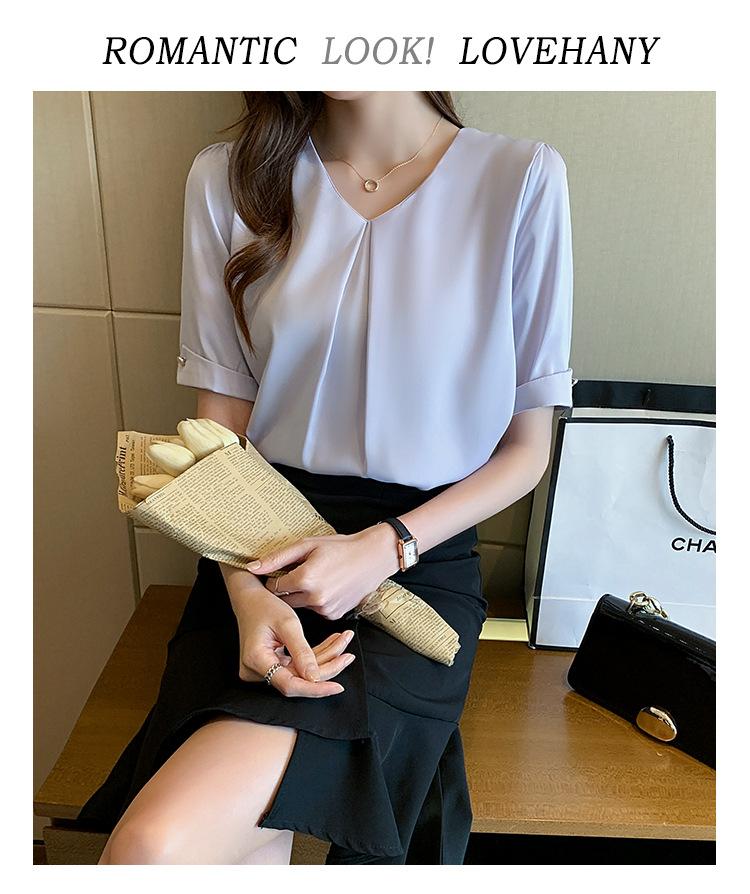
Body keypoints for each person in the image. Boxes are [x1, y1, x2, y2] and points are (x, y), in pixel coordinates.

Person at [77, 90, 574, 864]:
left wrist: (385, 547)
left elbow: (526, 451)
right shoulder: (229, 179)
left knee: (154, 846)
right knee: (207, 840)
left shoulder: (521, 177)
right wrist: (246, 591)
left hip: (414, 567)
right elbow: (221, 434)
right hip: (252, 547)